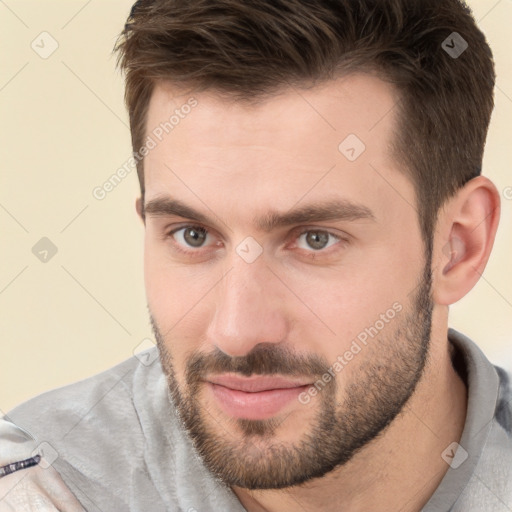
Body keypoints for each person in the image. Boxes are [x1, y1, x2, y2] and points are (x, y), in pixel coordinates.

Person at [1, 0, 510, 510]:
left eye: (315, 239)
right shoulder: (40, 488)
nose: (237, 332)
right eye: (192, 235)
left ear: (458, 247)